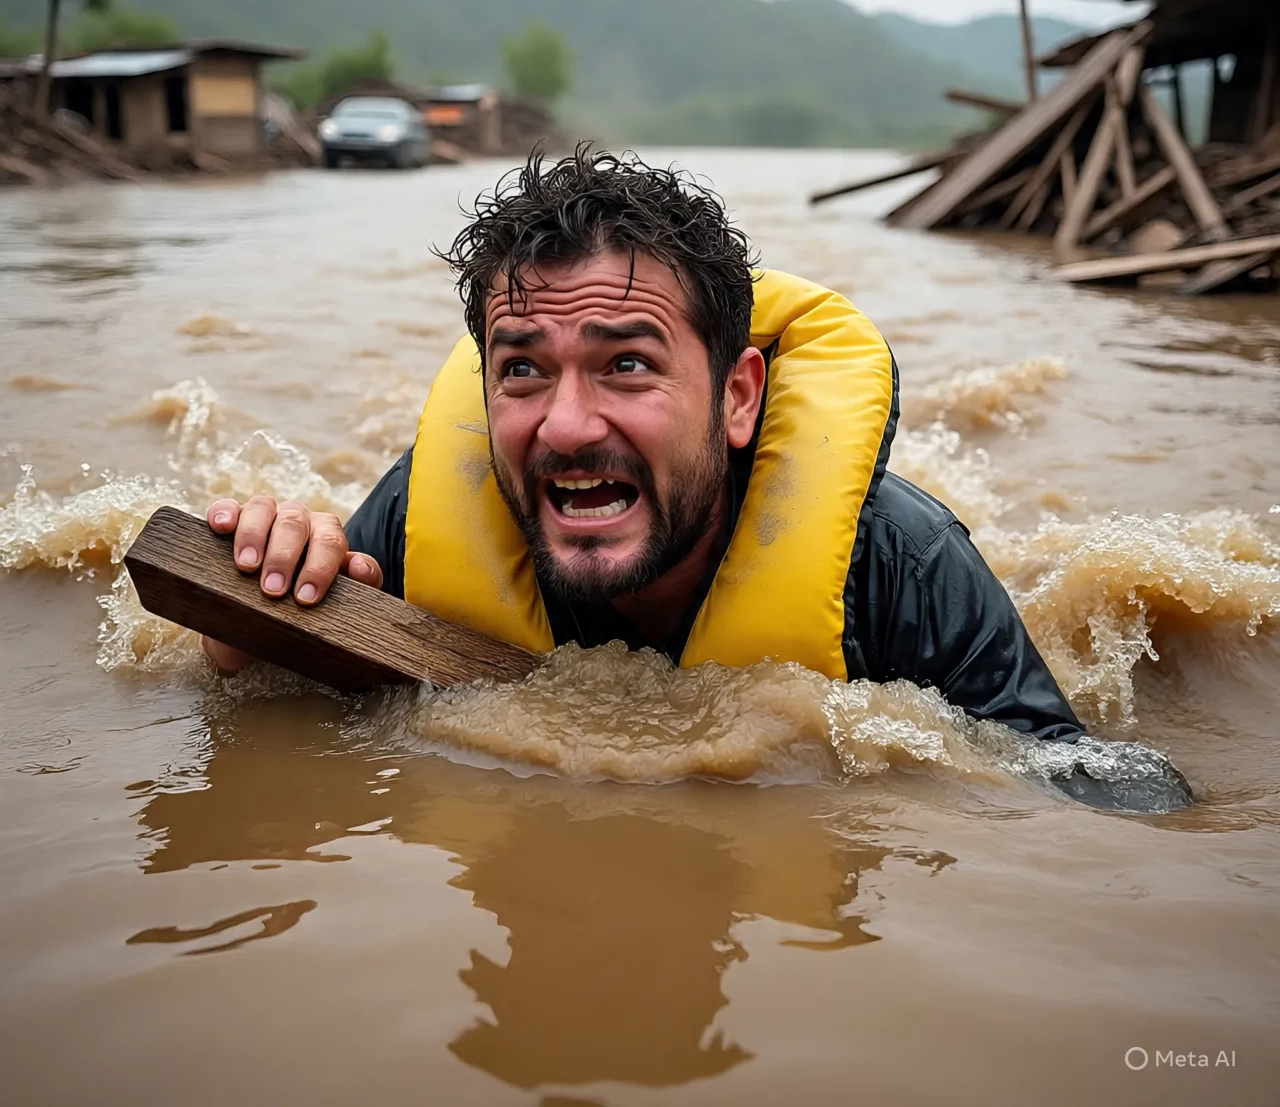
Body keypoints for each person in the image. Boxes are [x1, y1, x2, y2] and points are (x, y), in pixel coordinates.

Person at [202, 147, 1191, 809]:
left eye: (626, 363)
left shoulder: (902, 565)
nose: (566, 424)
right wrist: (255, 618)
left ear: (736, 397)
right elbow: (273, 718)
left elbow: (1078, 785)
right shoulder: (424, 513)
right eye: (521, 367)